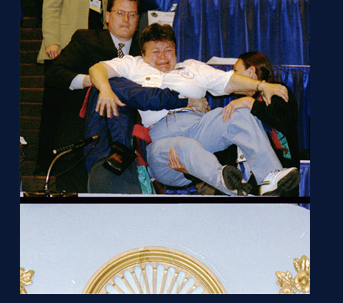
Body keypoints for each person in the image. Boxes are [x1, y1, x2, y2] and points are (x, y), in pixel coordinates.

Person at [89, 23, 299, 196]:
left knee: (239, 112)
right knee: (185, 146)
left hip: (199, 128)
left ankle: (269, 177)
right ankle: (230, 184)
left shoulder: (191, 67)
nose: (163, 57)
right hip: (160, 143)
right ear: (143, 54)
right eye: (156, 51)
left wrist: (262, 85)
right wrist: (105, 88)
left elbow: (229, 80)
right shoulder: (132, 65)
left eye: (168, 50)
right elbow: (97, 69)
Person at [35, 0, 142, 177]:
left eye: (132, 15)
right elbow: (54, 73)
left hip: (129, 134)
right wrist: (89, 81)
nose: (126, 19)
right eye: (120, 13)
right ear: (107, 16)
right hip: (82, 130)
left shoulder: (145, 48)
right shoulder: (86, 39)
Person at [217, 51, 300, 196]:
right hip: (241, 183)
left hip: (277, 181)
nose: (233, 76)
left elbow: (282, 123)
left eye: (236, 71)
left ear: (251, 72)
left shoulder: (276, 91)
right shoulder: (238, 105)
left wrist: (251, 103)